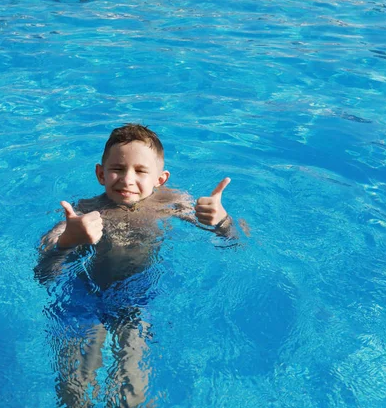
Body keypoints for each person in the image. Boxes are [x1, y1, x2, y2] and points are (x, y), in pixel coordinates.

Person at [35, 123, 236, 407]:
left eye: (141, 171)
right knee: (74, 388)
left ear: (160, 179)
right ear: (100, 174)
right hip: (82, 295)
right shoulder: (83, 211)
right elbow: (43, 274)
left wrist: (222, 222)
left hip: (136, 297)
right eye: (117, 169)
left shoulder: (173, 204)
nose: (127, 179)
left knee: (131, 385)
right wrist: (67, 242)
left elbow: (235, 241)